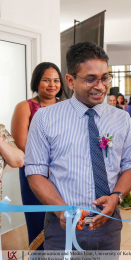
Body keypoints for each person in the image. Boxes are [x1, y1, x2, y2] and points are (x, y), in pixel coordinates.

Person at [24, 42, 131, 251]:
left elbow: (130, 164)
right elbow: (35, 172)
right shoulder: (45, 118)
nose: (100, 86)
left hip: (109, 225)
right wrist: (62, 211)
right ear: (70, 80)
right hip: (63, 227)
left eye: (105, 77)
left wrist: (116, 197)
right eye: (90, 79)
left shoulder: (121, 119)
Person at [11, 62, 65, 250]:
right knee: (39, 222)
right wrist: (47, 166)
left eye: (56, 80)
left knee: (66, 221)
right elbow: (22, 145)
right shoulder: (25, 107)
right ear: (36, 82)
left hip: (64, 175)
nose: (52, 84)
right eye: (46, 80)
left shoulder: (67, 107)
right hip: (36, 174)